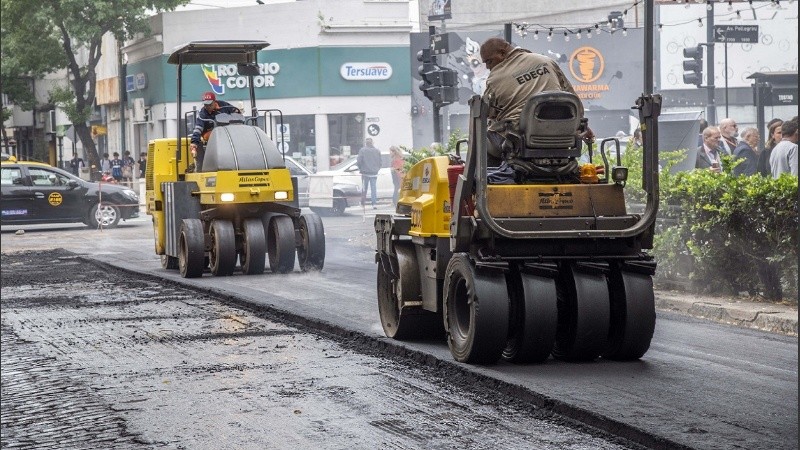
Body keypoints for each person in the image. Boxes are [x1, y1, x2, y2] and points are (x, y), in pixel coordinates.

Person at [479, 37, 592, 165]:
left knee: (482, 140)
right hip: (562, 136)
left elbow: (489, 112)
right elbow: (572, 98)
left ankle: (491, 180)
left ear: (502, 53)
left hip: (519, 140)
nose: (488, 67)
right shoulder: (546, 61)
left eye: (489, 61)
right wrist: (581, 123)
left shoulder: (495, 78)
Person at [189, 91, 240, 171]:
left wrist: (237, 113)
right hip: (211, 136)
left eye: (210, 104)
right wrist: (194, 143)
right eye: (206, 105)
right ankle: (201, 167)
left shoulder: (224, 105)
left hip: (227, 133)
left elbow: (236, 112)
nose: (208, 107)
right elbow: (198, 128)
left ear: (214, 102)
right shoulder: (202, 114)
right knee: (203, 141)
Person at [356, 138, 382, 209]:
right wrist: (377, 169)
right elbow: (380, 162)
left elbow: (359, 161)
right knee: (373, 189)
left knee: (364, 188)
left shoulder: (362, 150)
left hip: (365, 173)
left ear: (366, 143)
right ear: (372, 143)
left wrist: (360, 168)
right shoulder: (377, 151)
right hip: (374, 173)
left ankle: (363, 203)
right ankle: (374, 204)